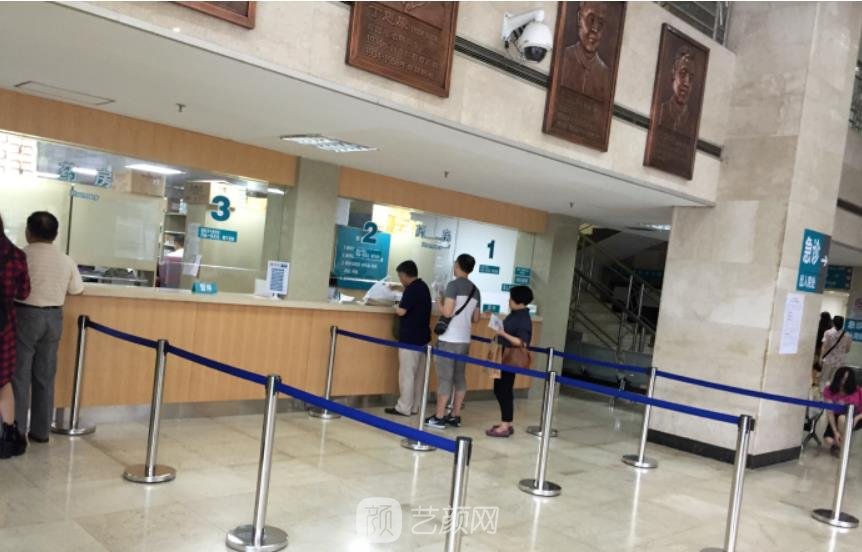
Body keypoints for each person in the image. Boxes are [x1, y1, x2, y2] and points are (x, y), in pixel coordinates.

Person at [13, 211, 84, 445]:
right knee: (45, 375)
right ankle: (41, 431)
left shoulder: (21, 256)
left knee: (20, 375)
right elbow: (77, 290)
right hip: (54, 318)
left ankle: (17, 431)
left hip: (24, 315)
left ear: (28, 232)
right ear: (55, 234)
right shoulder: (66, 260)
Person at [425, 254, 481, 429]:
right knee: (459, 378)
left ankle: (439, 417)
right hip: (464, 340)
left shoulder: (453, 285)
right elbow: (476, 318)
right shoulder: (476, 290)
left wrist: (438, 300)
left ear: (457, 265)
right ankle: (455, 416)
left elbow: (447, 312)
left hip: (449, 339)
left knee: (445, 379)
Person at [0, 214, 31, 459]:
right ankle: (7, 438)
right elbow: (24, 292)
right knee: (3, 382)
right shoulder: (16, 255)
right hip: (4, 326)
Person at [385, 260, 431, 417]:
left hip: (410, 339)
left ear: (404, 275)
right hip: (423, 338)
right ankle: (414, 407)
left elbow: (402, 311)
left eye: (400, 277)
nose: (400, 280)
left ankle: (403, 407)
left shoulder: (411, 290)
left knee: (407, 374)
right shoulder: (423, 287)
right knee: (418, 376)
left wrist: (394, 306)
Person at [486, 286, 533, 438]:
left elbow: (521, 342)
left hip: (510, 358)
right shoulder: (515, 314)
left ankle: (505, 425)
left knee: (503, 389)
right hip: (503, 356)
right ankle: (507, 422)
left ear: (518, 300)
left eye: (511, 298)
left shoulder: (523, 318)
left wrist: (502, 333)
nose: (509, 300)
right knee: (500, 388)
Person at [560, 2, 611, 101]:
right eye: (591, 19)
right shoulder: (563, 58)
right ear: (579, 19)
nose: (595, 29)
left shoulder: (605, 75)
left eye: (600, 23)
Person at [657, 46, 698, 136]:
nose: (687, 83)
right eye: (683, 74)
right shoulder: (661, 110)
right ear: (673, 73)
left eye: (691, 78)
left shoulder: (692, 122)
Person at [823, 366, 862, 456]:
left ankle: (842, 449)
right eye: (841, 379)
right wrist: (835, 432)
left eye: (846, 379)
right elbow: (830, 412)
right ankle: (840, 444)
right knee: (828, 440)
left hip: (857, 416)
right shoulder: (829, 390)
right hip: (837, 415)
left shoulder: (858, 391)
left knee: (842, 419)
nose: (843, 382)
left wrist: (856, 418)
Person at [819, 315, 852, 390]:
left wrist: (821, 358)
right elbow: (847, 350)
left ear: (833, 322)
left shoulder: (828, 333)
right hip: (840, 361)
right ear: (843, 323)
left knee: (824, 378)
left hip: (828, 360)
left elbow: (824, 347)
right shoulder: (848, 335)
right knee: (835, 379)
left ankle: (822, 392)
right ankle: (832, 392)